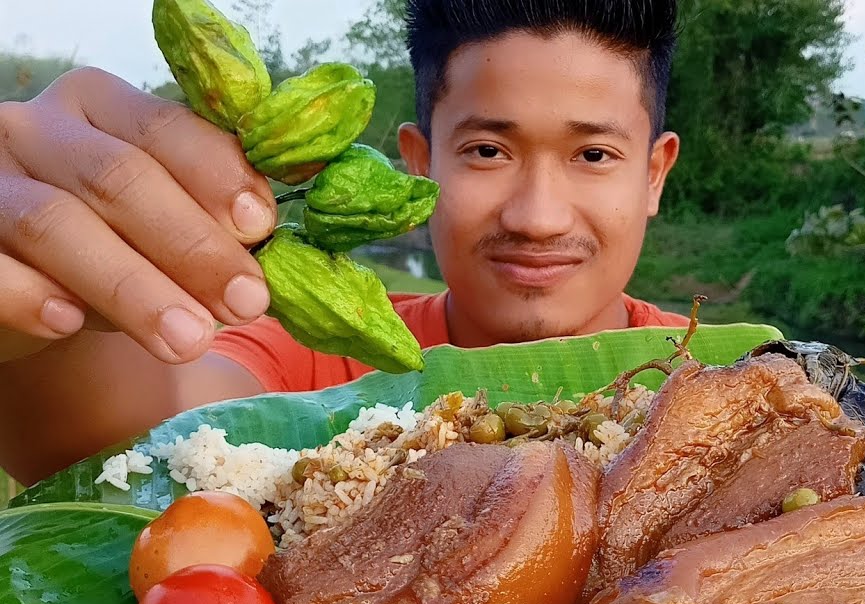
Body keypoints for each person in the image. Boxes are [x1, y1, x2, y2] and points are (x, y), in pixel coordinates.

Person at [0, 0, 688, 486]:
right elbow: (135, 451)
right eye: (486, 149)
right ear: (418, 163)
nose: (538, 217)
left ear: (654, 174)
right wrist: (54, 323)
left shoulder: (732, 387)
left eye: (593, 155)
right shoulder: (313, 359)